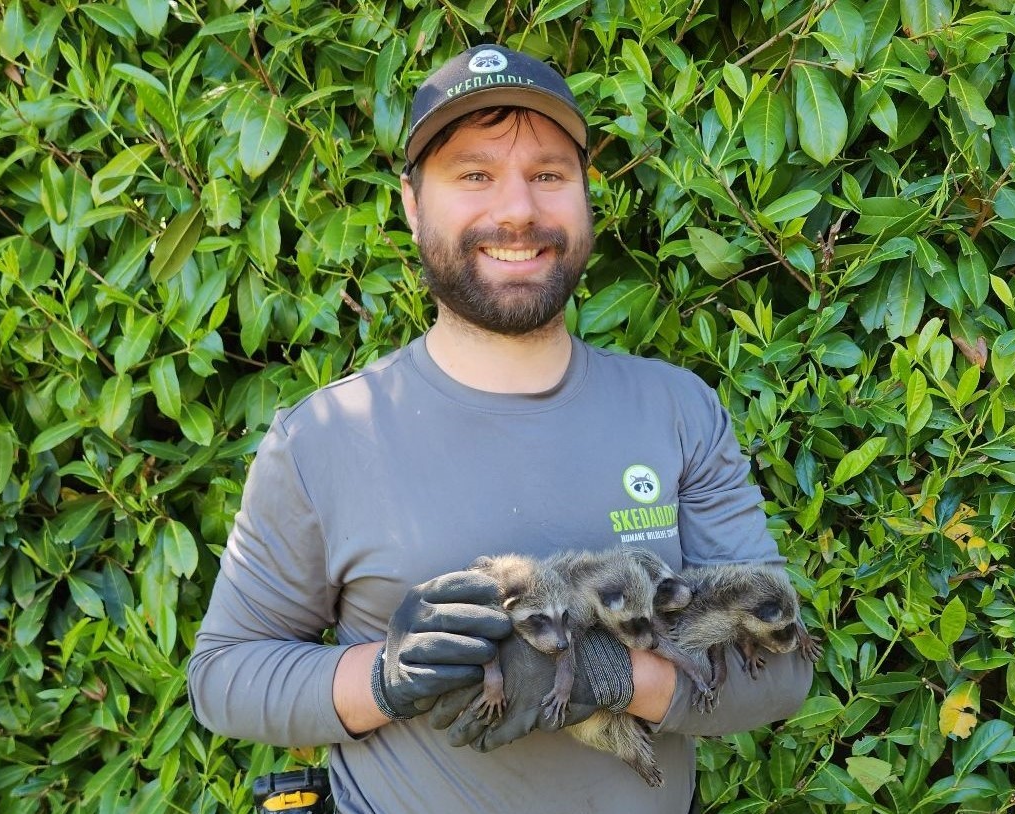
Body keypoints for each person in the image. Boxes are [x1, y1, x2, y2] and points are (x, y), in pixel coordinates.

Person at [187, 43, 814, 813]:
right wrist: (387, 676)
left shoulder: (678, 410)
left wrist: (607, 677)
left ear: (587, 199)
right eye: (474, 174)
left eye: (548, 175)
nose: (517, 210)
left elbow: (781, 671)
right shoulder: (323, 439)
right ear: (414, 204)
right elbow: (223, 675)